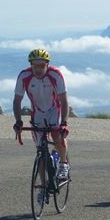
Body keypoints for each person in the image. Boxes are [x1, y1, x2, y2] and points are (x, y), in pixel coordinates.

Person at [13, 49, 70, 180]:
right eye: (35, 66)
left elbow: (64, 100)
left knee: (57, 136)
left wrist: (64, 123)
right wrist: (18, 121)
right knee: (40, 151)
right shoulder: (24, 76)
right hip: (37, 113)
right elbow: (17, 101)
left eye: (41, 66)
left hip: (54, 110)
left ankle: (63, 164)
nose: (38, 69)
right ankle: (43, 187)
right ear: (30, 65)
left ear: (47, 65)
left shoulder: (55, 75)